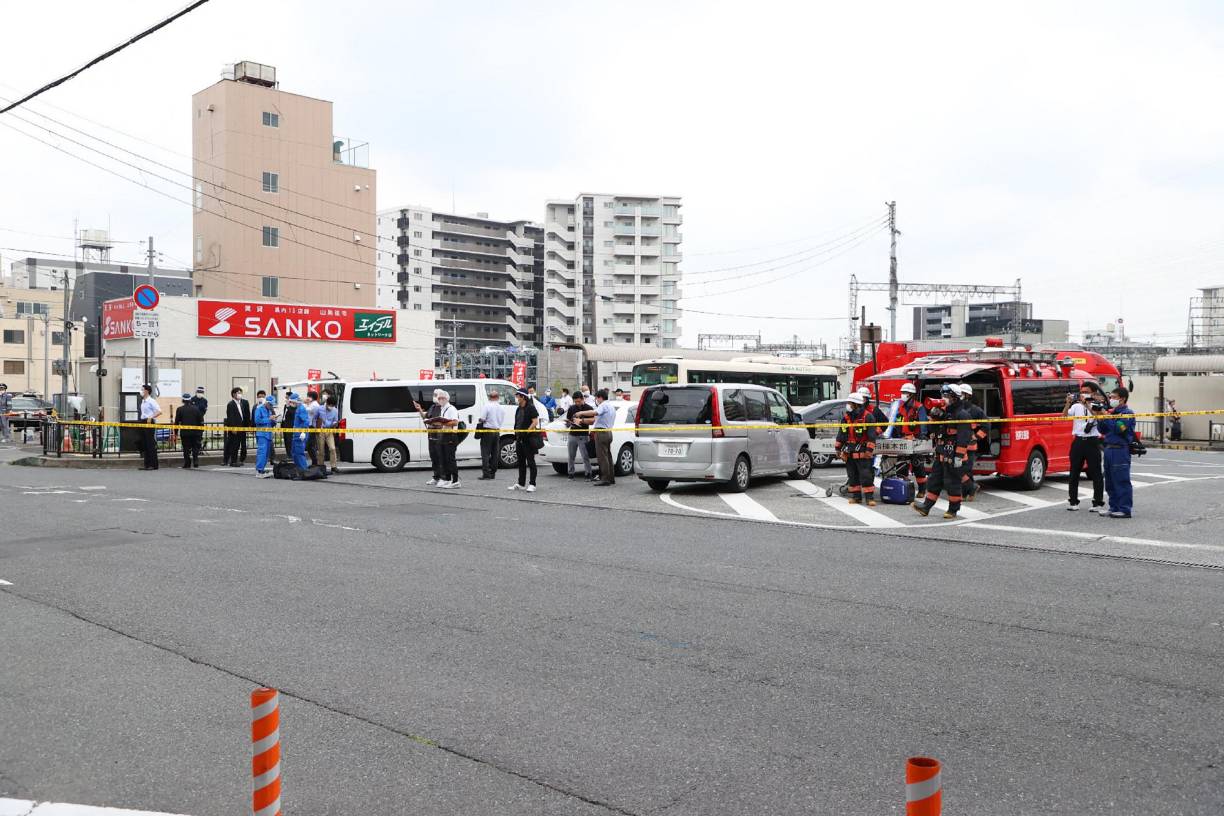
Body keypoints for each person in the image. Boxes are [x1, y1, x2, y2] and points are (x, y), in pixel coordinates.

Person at [913, 384, 971, 519]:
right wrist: (934, 417)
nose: (943, 398)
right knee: (934, 481)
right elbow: (933, 431)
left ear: (955, 398)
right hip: (941, 453)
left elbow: (964, 436)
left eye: (947, 396)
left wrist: (959, 456)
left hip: (954, 454)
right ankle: (926, 507)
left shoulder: (962, 415)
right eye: (943, 395)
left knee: (952, 483)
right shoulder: (943, 413)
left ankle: (953, 509)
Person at [1064, 382, 1104, 512]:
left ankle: (1097, 503)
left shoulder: (1097, 405)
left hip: (1092, 441)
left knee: (1096, 473)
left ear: (1093, 393)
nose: (1083, 394)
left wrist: (1088, 403)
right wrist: (1067, 403)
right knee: (1074, 472)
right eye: (1082, 392)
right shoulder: (1076, 406)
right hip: (1078, 441)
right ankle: (1073, 502)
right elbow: (1064, 416)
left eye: (1086, 391)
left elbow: (1100, 417)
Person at [835, 392, 878, 505]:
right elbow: (841, 434)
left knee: (866, 475)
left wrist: (869, 451)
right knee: (852, 476)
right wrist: (838, 448)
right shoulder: (846, 418)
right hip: (849, 451)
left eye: (849, 403)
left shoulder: (868, 417)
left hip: (863, 452)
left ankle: (869, 498)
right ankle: (856, 497)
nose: (847, 405)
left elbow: (872, 436)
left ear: (856, 404)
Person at [1100, 386, 1137, 518]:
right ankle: (1113, 506)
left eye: (1114, 397)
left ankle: (1125, 509)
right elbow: (1102, 430)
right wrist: (1101, 416)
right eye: (1110, 397)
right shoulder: (1112, 412)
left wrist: (1107, 418)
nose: (1111, 399)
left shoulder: (1127, 413)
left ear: (1122, 399)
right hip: (1108, 449)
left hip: (1120, 450)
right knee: (1109, 481)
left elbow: (1119, 429)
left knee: (1121, 480)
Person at [893, 382, 928, 500]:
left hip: (915, 439)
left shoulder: (919, 407)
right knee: (901, 465)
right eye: (902, 393)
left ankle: (922, 489)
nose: (903, 395)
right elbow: (897, 422)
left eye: (905, 393)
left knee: (918, 466)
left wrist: (922, 436)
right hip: (903, 439)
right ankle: (904, 488)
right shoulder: (900, 407)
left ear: (912, 395)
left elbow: (923, 423)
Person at [958, 383, 988, 501]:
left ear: (967, 395)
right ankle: (970, 490)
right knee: (960, 469)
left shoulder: (976, 411)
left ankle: (968, 491)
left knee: (966, 470)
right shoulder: (957, 409)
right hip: (958, 445)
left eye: (961, 394)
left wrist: (976, 436)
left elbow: (986, 426)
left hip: (970, 447)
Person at [415, 389, 447, 486]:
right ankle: (436, 477)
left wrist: (432, 422)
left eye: (436, 395)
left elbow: (443, 421)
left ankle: (443, 478)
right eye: (434, 395)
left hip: (440, 436)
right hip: (431, 436)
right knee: (433, 457)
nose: (434, 397)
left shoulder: (444, 408)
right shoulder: (432, 407)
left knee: (441, 457)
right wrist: (420, 409)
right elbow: (426, 417)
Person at [509, 388, 539, 492]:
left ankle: (532, 484)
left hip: (528, 439)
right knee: (521, 462)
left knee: (531, 462)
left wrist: (527, 431)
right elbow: (517, 423)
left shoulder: (531, 408)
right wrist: (516, 436)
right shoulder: (518, 408)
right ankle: (521, 483)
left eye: (517, 396)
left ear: (523, 397)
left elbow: (535, 422)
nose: (516, 398)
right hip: (519, 438)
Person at [588, 388, 617, 486]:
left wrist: (581, 413)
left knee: (602, 457)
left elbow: (595, 413)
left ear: (600, 397)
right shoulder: (611, 406)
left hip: (601, 433)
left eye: (596, 398)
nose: (596, 400)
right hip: (608, 432)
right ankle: (611, 478)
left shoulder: (603, 405)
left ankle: (605, 479)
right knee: (608, 456)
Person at [477, 387, 505, 480]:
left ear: (489, 397)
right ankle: (493, 473)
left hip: (487, 431)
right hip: (497, 431)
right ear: (497, 397)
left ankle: (486, 474)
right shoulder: (501, 407)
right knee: (495, 453)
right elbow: (501, 420)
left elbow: (482, 418)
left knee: (485, 453)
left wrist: (481, 420)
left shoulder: (487, 406)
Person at [564, 390, 593, 479]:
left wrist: (581, 421)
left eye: (579, 401)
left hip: (583, 435)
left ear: (582, 399)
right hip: (572, 434)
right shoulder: (572, 408)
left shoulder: (589, 408)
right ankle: (571, 473)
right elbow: (569, 420)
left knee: (585, 456)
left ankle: (588, 473)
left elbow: (592, 421)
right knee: (571, 456)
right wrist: (568, 423)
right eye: (575, 401)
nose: (577, 403)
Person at [223, 387, 252, 467]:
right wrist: (233, 428)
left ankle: (242, 459)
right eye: (238, 393)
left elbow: (247, 414)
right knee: (234, 445)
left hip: (243, 426)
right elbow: (230, 417)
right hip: (235, 428)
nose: (239, 394)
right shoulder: (230, 404)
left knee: (243, 444)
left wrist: (249, 426)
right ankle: (233, 461)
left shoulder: (244, 402)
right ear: (233, 394)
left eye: (240, 392)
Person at [175, 393, 204, 469]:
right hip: (195, 432)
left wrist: (175, 432)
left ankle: (187, 463)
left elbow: (176, 422)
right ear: (190, 400)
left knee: (186, 448)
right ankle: (196, 462)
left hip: (185, 433)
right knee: (195, 447)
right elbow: (201, 420)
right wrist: (201, 431)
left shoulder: (180, 409)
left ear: (183, 400)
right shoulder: (196, 409)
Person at [138, 384, 162, 471]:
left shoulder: (151, 401)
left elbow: (159, 411)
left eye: (142, 389)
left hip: (149, 421)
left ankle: (153, 464)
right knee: (144, 443)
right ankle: (147, 464)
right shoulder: (143, 401)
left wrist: (151, 417)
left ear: (147, 391)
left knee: (150, 443)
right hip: (143, 421)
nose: (141, 391)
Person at [253, 393, 277, 478]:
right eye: (270, 404)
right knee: (262, 453)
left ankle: (262, 469)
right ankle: (259, 471)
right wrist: (269, 419)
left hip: (268, 434)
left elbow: (272, 423)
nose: (271, 406)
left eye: (272, 405)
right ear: (266, 402)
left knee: (266, 453)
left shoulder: (269, 410)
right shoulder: (259, 409)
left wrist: (274, 420)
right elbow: (257, 421)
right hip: (262, 434)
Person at [288, 392, 311, 472]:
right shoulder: (298, 408)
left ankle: (303, 470)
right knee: (294, 452)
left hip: (300, 434)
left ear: (295, 401)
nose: (290, 403)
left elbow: (306, 421)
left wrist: (303, 432)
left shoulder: (301, 409)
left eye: (291, 402)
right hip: (297, 434)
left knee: (299, 453)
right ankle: (298, 468)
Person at [317, 394, 340, 475]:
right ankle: (321, 466)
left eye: (332, 405)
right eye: (329, 405)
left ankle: (333, 466)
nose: (330, 407)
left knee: (332, 448)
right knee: (321, 450)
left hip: (330, 431)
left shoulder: (335, 410)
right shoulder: (319, 409)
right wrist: (317, 429)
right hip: (321, 431)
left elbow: (336, 420)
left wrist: (334, 424)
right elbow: (315, 419)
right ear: (326, 402)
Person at [301, 391, 321, 467]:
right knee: (310, 445)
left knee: (310, 445)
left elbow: (305, 409)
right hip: (309, 426)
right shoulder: (312, 404)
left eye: (308, 396)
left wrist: (304, 403)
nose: (307, 398)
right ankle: (314, 462)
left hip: (311, 426)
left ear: (311, 397)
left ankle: (315, 462)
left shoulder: (315, 405)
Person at [280, 394, 297, 458]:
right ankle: (288, 454)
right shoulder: (286, 405)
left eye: (287, 398)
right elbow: (285, 414)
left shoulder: (294, 406)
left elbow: (293, 415)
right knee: (286, 441)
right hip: (285, 424)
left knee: (290, 441)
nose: (286, 399)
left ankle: (291, 455)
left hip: (291, 425)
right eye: (286, 397)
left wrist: (289, 407)